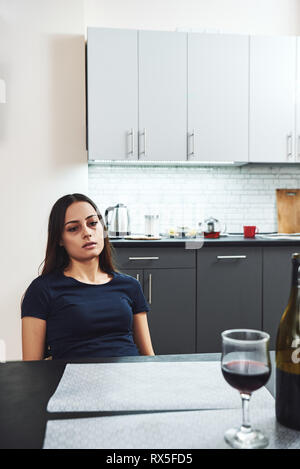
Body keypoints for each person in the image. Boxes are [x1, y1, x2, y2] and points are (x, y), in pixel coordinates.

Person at [21, 193, 155, 360]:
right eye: (73, 228)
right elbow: (32, 368)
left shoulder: (130, 286)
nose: (87, 233)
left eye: (92, 223)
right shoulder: (42, 290)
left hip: (130, 379)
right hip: (76, 382)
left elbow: (148, 356)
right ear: (60, 240)